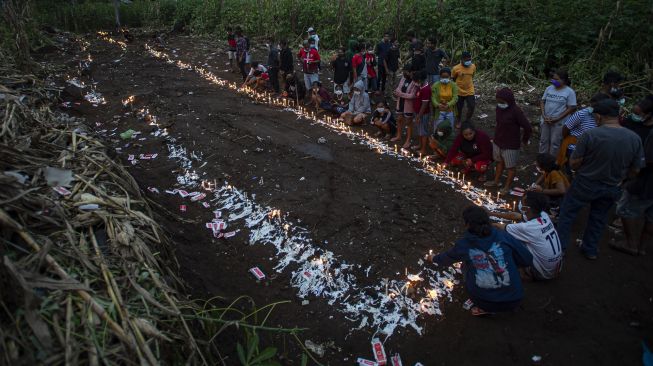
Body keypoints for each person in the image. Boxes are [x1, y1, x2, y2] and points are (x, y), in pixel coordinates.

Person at [556, 99, 644, 260]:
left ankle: (560, 248)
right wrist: (622, 180)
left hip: (585, 182)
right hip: (612, 186)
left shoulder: (591, 135)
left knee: (567, 213)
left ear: (598, 116)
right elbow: (636, 169)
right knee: (598, 217)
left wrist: (587, 163)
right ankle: (590, 249)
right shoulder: (634, 138)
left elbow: (574, 163)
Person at [426, 206, 533, 315]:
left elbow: (446, 259)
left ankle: (485, 309)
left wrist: (433, 258)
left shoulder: (465, 244)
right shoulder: (503, 235)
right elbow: (527, 259)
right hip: (515, 298)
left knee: (465, 265)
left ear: (467, 224)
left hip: (484, 301)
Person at [492, 192, 563, 280]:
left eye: (523, 204)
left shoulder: (527, 228)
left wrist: (483, 221)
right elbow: (516, 216)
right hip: (556, 269)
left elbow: (500, 227)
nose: (521, 206)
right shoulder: (544, 216)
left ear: (527, 209)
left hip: (544, 273)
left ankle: (525, 273)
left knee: (507, 238)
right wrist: (491, 213)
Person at [615, 122, 653, 256]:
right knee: (650, 217)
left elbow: (646, 160)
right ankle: (642, 247)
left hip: (646, 182)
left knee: (624, 209)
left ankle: (631, 243)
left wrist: (631, 173)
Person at [485, 87, 532, 191]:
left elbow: (527, 127)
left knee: (510, 167)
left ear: (509, 101)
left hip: (511, 144)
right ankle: (496, 181)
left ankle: (506, 187)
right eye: (498, 101)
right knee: (499, 162)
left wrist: (524, 140)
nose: (500, 103)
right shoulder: (499, 108)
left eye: (502, 102)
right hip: (498, 141)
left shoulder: (516, 111)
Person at [557, 93, 610, 167]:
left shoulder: (607, 118)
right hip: (575, 149)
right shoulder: (581, 114)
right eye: (591, 105)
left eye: (595, 106)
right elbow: (566, 128)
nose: (591, 107)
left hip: (593, 152)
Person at [539, 69, 577, 156]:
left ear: (564, 80)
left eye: (556, 79)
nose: (553, 81)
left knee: (555, 143)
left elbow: (572, 107)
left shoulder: (569, 92)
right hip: (546, 119)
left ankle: (552, 162)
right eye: (553, 79)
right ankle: (541, 160)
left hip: (559, 122)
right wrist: (544, 115)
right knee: (543, 140)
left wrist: (557, 118)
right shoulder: (549, 88)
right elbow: (542, 101)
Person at [390, 65, 418, 146]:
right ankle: (398, 135)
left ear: (411, 72)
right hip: (400, 102)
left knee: (408, 122)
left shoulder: (415, 81)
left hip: (409, 105)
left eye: (406, 71)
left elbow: (412, 95)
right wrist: (397, 92)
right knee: (399, 119)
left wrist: (400, 94)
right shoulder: (403, 78)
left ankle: (408, 140)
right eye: (404, 71)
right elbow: (398, 88)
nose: (404, 73)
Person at [451, 51, 476, 126]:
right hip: (459, 91)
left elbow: (472, 76)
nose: (468, 61)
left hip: (470, 90)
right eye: (466, 60)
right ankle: (458, 120)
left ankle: (467, 120)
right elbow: (453, 78)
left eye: (469, 60)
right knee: (458, 108)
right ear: (461, 59)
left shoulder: (473, 66)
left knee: (472, 106)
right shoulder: (456, 68)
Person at [412, 70, 431, 155]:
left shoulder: (426, 89)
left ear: (419, 80)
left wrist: (419, 116)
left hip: (423, 114)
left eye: (415, 81)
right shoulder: (420, 87)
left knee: (423, 131)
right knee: (420, 130)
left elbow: (424, 104)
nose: (414, 83)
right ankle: (420, 145)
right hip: (418, 113)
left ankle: (423, 149)